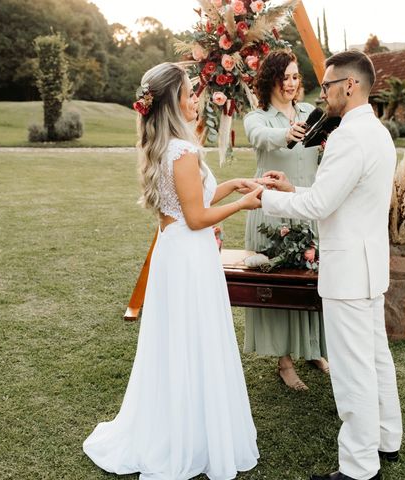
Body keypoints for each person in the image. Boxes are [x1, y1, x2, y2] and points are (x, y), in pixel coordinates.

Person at [83, 62, 263, 480]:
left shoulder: (167, 146)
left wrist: (231, 184)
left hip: (175, 250)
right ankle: (190, 436)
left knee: (180, 341)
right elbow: (198, 217)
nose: (196, 97)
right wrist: (242, 204)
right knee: (192, 338)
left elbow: (187, 203)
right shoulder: (183, 151)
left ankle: (186, 426)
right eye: (189, 91)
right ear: (174, 100)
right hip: (188, 255)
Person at [254, 50, 403, 480]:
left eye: (328, 85)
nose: (323, 94)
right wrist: (292, 186)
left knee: (354, 370)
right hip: (370, 268)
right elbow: (341, 195)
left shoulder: (348, 136)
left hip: (348, 274)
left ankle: (359, 467)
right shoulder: (375, 131)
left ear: (350, 86)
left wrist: (266, 197)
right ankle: (386, 438)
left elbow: (321, 203)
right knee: (375, 358)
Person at [242, 50, 329, 391]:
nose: (292, 83)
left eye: (296, 77)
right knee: (281, 287)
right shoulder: (257, 117)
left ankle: (313, 350)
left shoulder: (310, 112)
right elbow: (260, 138)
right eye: (285, 77)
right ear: (270, 80)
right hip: (273, 210)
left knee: (313, 282)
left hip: (308, 204)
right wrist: (287, 135)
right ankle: (285, 361)